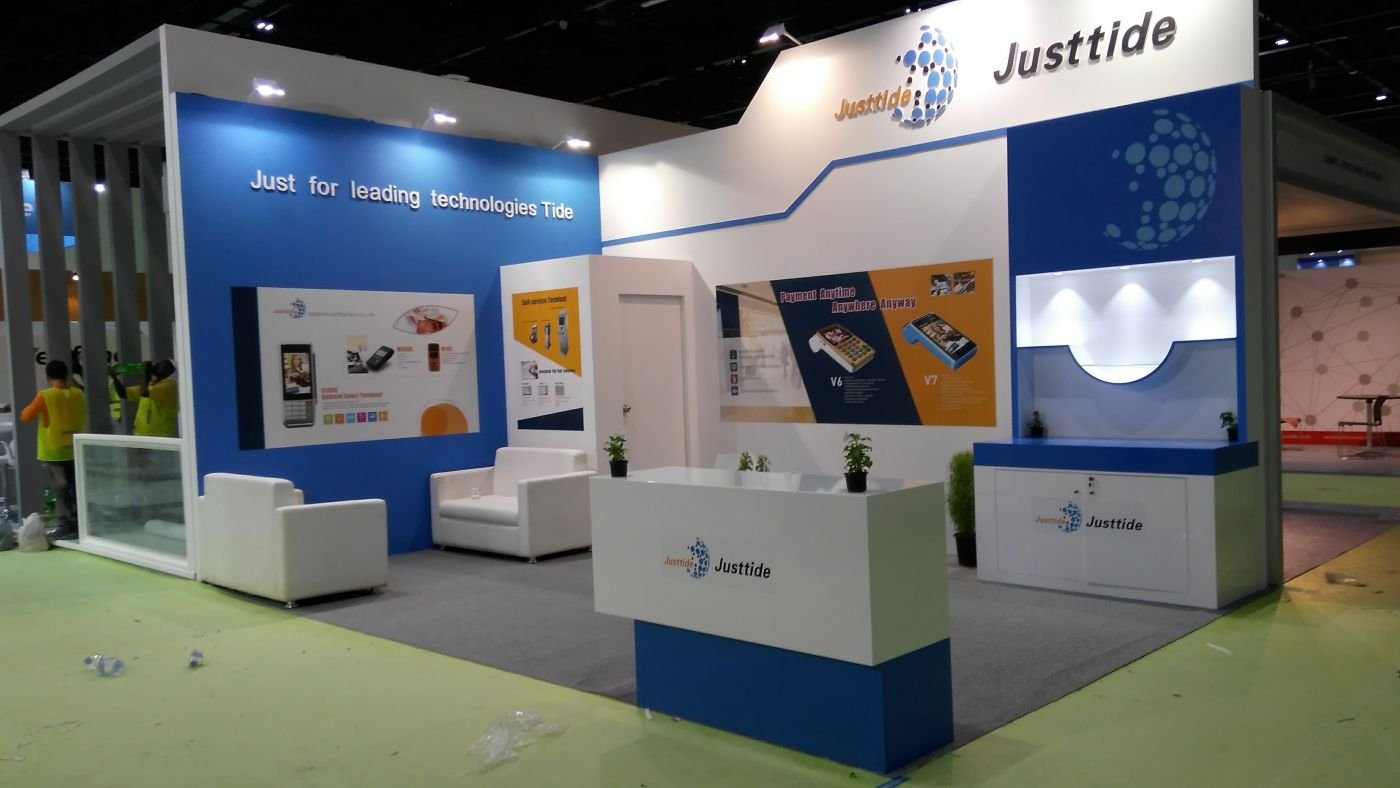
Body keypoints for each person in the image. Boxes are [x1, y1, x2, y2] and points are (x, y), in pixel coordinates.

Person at [19, 360, 87, 540]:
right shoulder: (78, 393)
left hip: (54, 450)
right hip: (75, 447)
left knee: (60, 490)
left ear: (48, 376)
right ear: (66, 375)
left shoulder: (46, 396)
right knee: (75, 487)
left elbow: (25, 416)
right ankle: (81, 523)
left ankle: (67, 525)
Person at [109, 360, 179, 438]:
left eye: (163, 365)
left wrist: (147, 374)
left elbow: (144, 392)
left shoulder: (170, 385)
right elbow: (123, 393)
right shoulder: (151, 385)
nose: (157, 365)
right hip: (141, 433)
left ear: (170, 371)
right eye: (158, 363)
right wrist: (114, 378)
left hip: (158, 435)